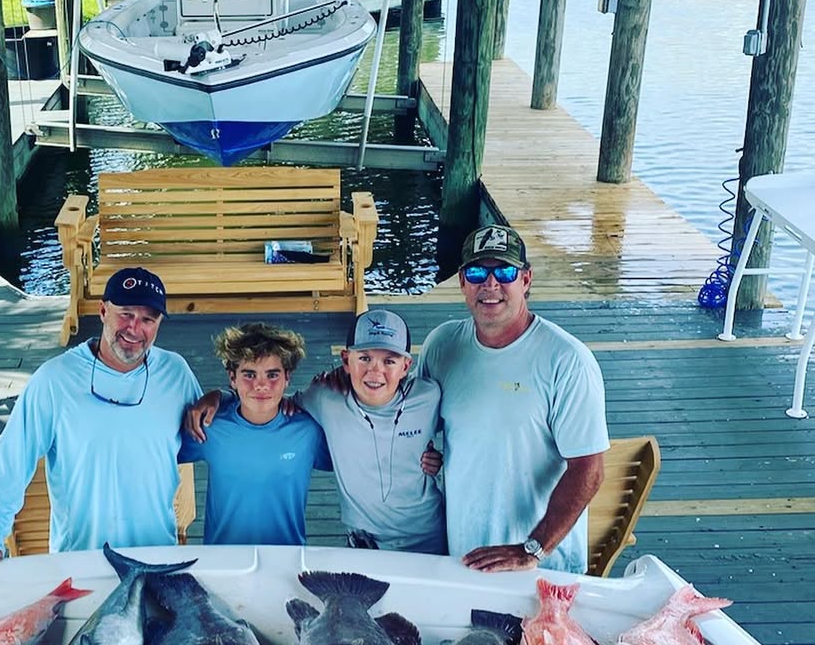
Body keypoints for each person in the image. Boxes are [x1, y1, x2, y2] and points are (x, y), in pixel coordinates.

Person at [0, 268, 201, 570]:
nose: (135, 328)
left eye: (148, 319)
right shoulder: (54, 379)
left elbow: (213, 433)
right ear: (103, 311)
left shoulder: (176, 373)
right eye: (125, 314)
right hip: (79, 562)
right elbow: (11, 462)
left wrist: (221, 397)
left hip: (156, 558)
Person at [418, 224, 609, 574]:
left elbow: (589, 469)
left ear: (526, 279)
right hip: (463, 557)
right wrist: (345, 383)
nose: (490, 284)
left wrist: (533, 549)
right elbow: (415, 423)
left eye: (504, 272)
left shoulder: (568, 360)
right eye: (477, 273)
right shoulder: (441, 345)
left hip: (541, 567)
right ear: (462, 282)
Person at [187, 308, 445, 554]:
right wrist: (219, 395)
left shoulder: (429, 396)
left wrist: (434, 457)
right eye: (365, 358)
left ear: (406, 366)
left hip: (427, 539)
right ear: (346, 360)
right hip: (360, 546)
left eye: (389, 360)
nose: (375, 371)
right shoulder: (320, 400)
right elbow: (167, 452)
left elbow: (462, 436)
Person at [177, 322, 331, 546]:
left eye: (272, 375)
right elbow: (159, 454)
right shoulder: (209, 425)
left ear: (287, 377)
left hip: (289, 555)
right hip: (222, 557)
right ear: (232, 378)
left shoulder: (308, 432)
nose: (261, 385)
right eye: (249, 374)